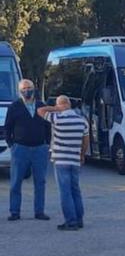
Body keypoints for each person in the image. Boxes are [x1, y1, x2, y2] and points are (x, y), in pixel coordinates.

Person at [38, 96, 89, 231]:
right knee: (75, 190)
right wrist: (82, 155)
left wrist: (55, 108)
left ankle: (70, 222)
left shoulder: (57, 119)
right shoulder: (82, 121)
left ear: (61, 105)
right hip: (75, 159)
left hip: (61, 159)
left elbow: (40, 110)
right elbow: (86, 140)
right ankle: (79, 219)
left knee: (65, 192)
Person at [4, 79, 51, 221]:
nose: (27, 91)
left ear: (34, 88)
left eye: (29, 88)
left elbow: (48, 126)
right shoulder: (14, 106)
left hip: (39, 149)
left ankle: (39, 212)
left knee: (40, 182)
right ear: (20, 91)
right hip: (20, 149)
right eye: (24, 89)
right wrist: (12, 144)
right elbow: (8, 127)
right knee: (15, 182)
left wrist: (47, 143)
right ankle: (14, 212)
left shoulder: (42, 106)